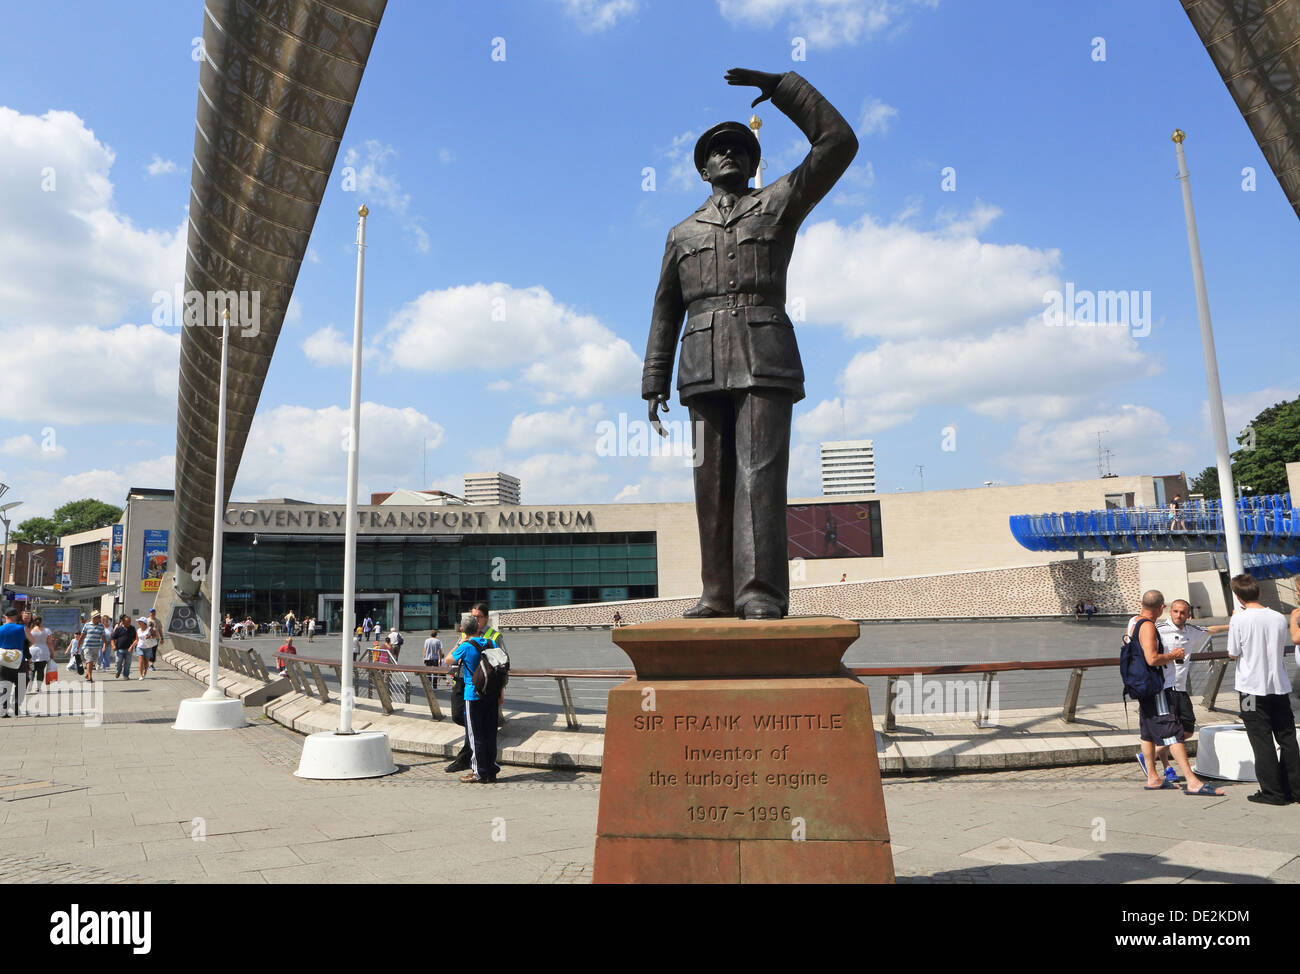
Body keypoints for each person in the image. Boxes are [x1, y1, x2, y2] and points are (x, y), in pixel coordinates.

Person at [642, 68, 856, 621]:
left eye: (740, 146)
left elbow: (838, 142)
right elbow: (666, 305)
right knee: (709, 482)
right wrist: (653, 381)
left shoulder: (778, 202)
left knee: (760, 476)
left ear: (752, 159)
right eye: (719, 150)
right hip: (700, 364)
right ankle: (716, 594)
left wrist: (785, 88)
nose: (730, 153)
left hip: (765, 358)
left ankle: (759, 591)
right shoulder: (681, 233)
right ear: (703, 168)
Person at [1126, 590, 1223, 796]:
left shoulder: (1135, 623)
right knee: (1172, 733)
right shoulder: (1150, 627)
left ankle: (1153, 778)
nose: (1178, 615)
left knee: (1147, 734)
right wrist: (1173, 655)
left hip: (1144, 688)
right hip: (1159, 687)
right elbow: (1152, 659)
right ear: (1163, 608)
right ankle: (1192, 781)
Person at [1226, 573, 1300, 805]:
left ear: (1238, 597)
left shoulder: (1239, 619)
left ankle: (1273, 792)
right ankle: (1296, 789)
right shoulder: (1279, 617)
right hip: (1278, 684)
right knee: (1287, 737)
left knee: (1261, 739)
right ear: (1258, 592)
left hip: (1251, 688)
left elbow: (1233, 652)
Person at [1141, 599, 1212, 784]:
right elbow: (1148, 653)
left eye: (1183, 612)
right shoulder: (1159, 629)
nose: (1179, 615)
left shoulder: (1192, 631)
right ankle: (1170, 769)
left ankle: (1149, 756)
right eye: (1175, 611)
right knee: (1169, 731)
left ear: (1189, 615)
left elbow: (1212, 630)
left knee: (1187, 730)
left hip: (1180, 688)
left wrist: (1235, 623)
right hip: (1164, 688)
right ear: (1169, 611)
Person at [445, 603, 504, 774]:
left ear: (486, 617)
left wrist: (501, 690)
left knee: (475, 729)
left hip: (483, 686)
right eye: (473, 616)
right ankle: (478, 757)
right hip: (463, 680)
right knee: (458, 716)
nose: (475, 619)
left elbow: (502, 665)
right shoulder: (466, 634)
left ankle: (470, 762)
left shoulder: (494, 637)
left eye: (478, 616)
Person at [0, 607, 30, 717]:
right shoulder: (22, 628)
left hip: (2, 662)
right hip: (19, 661)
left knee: (4, 685)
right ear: (16, 616)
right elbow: (33, 640)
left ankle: (3, 711)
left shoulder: (0, 629)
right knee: (22, 682)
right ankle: (16, 704)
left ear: (5, 616)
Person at [80, 611, 109, 682]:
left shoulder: (101, 626)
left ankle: (87, 673)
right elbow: (82, 636)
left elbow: (103, 636)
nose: (99, 618)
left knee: (92, 662)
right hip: (87, 646)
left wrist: (105, 643)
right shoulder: (87, 625)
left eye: (99, 617)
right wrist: (77, 647)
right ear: (93, 618)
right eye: (98, 617)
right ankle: (90, 677)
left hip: (96, 646)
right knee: (89, 661)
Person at [27, 614, 52, 693]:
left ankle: (29, 687)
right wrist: (52, 652)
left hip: (32, 652)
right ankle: (38, 687)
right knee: (41, 671)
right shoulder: (47, 630)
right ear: (41, 622)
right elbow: (49, 642)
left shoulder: (30, 630)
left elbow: (27, 642)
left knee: (31, 670)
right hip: (43, 652)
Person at [111, 614, 137, 679]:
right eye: (127, 622)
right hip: (119, 649)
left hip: (129, 649)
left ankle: (126, 675)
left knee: (128, 663)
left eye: (130, 621)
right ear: (123, 622)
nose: (129, 623)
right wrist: (113, 645)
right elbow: (112, 638)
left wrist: (134, 646)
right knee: (118, 661)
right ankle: (118, 672)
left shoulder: (132, 628)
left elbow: (135, 639)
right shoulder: (119, 629)